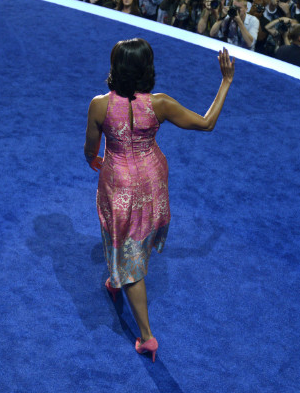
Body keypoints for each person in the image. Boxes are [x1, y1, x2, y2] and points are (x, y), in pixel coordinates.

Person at [84, 39, 234, 362]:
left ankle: (147, 336)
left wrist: (95, 160)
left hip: (119, 183)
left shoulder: (99, 105)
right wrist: (225, 82)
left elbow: (89, 150)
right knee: (135, 239)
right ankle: (115, 275)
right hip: (153, 180)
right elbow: (207, 123)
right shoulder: (160, 104)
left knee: (127, 252)